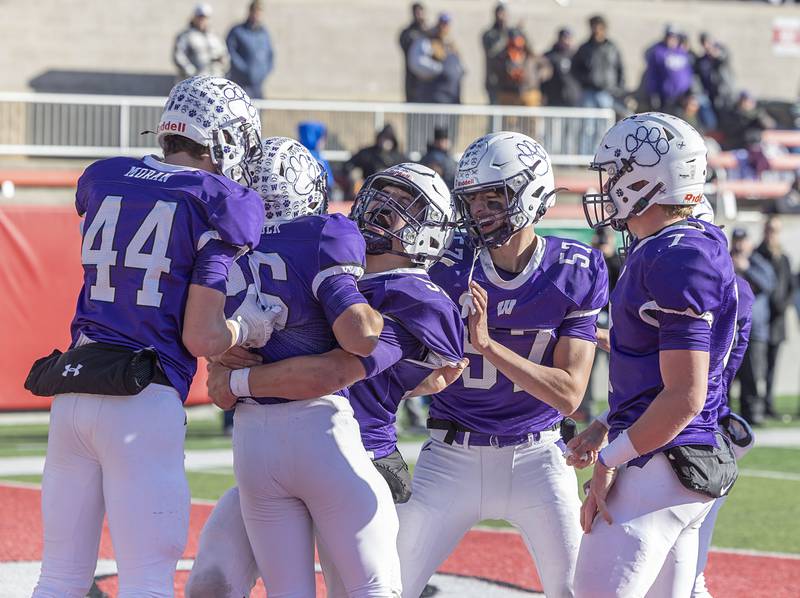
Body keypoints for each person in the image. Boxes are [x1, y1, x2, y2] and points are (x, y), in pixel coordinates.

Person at [30, 76, 269, 597]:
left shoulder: (105, 175)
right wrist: (245, 326)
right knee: (147, 581)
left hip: (75, 387)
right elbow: (202, 337)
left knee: (59, 577)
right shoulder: (219, 198)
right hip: (143, 397)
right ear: (225, 140)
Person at [186, 160, 465, 597]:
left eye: (405, 203)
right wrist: (223, 357)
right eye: (382, 194)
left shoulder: (410, 295)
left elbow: (331, 372)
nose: (385, 208)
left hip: (357, 455)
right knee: (210, 585)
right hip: (276, 453)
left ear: (430, 229)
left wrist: (237, 381)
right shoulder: (315, 259)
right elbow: (229, 350)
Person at [396, 131, 609, 598]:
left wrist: (489, 346)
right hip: (450, 453)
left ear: (531, 193)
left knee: (578, 589)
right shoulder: (443, 263)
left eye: (494, 198)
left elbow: (570, 395)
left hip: (538, 456)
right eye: (472, 201)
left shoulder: (575, 267)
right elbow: (394, 366)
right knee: (382, 586)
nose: (480, 212)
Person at [574, 112, 739, 596]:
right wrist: (608, 423)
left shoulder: (676, 252)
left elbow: (685, 394)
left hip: (662, 464)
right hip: (672, 459)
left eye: (615, 174)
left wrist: (610, 459)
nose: (607, 187)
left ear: (648, 177)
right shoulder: (681, 245)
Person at [730, 227, 775, 425]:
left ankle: (753, 415)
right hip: (730, 330)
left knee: (753, 376)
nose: (739, 244)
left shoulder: (757, 262)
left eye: (743, 240)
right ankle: (727, 415)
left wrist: (746, 268)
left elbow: (769, 285)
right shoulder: (725, 259)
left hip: (754, 331)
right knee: (729, 376)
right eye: (736, 240)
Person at [756, 215, 795, 419]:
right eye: (769, 229)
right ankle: (755, 406)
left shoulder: (784, 258)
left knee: (772, 366)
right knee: (757, 367)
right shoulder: (757, 255)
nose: (772, 234)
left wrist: (783, 305)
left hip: (777, 321)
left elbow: (790, 287)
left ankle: (769, 405)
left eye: (775, 230)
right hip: (761, 320)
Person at [408, 13, 464, 105]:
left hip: (451, 94)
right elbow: (418, 63)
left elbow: (458, 65)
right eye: (442, 23)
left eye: (446, 24)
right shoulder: (427, 41)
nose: (444, 27)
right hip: (432, 92)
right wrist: (439, 69)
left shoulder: (451, 44)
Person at [572, 15, 625, 110]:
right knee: (588, 123)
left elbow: (620, 69)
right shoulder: (584, 48)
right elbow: (575, 69)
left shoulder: (612, 48)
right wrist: (585, 82)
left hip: (608, 92)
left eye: (599, 27)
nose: (596, 30)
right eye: (594, 27)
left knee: (608, 122)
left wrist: (619, 89)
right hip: (589, 92)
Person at [226, 0, 275, 99]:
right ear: (250, 12)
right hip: (241, 83)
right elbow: (230, 52)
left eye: (259, 12)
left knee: (258, 112)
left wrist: (264, 71)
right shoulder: (237, 31)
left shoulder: (264, 33)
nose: (257, 15)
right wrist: (245, 71)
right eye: (255, 11)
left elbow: (270, 54)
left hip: (258, 84)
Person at [342, 124, 409, 197]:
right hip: (368, 191)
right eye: (384, 138)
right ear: (379, 138)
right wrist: (356, 179)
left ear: (393, 140)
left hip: (393, 195)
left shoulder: (400, 157)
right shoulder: (367, 153)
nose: (385, 142)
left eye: (388, 139)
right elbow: (348, 165)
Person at [491, 28, 551, 107]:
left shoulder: (531, 56)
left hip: (529, 94)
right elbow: (495, 70)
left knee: (531, 117)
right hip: (509, 94)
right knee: (509, 118)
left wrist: (538, 76)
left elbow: (546, 67)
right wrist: (508, 73)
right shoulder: (502, 57)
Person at [643, 25, 694, 114]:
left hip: (683, 97)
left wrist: (691, 93)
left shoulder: (682, 53)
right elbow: (652, 74)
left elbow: (688, 74)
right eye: (669, 37)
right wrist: (653, 93)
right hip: (666, 97)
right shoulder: (658, 52)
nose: (671, 40)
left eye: (674, 37)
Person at [173, 4, 229, 79]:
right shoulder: (186, 36)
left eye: (205, 18)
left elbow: (225, 54)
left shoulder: (215, 37)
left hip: (215, 79)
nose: (202, 20)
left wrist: (223, 64)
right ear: (194, 17)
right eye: (200, 17)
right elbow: (179, 56)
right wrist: (191, 72)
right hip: (194, 81)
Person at [542, 27, 581, 107]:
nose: (566, 41)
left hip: (573, 97)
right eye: (564, 38)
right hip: (554, 98)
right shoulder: (550, 56)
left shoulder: (576, 56)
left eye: (568, 38)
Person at [482, 2, 511, 104]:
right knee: (495, 111)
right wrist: (504, 36)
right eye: (499, 13)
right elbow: (491, 52)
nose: (502, 16)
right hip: (494, 80)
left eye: (504, 13)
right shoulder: (488, 34)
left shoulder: (511, 32)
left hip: (510, 82)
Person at [399, 2, 427, 102]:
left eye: (420, 12)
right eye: (416, 12)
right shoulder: (407, 33)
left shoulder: (427, 32)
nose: (419, 15)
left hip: (426, 77)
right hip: (411, 76)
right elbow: (405, 45)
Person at [298, 120, 335, 190]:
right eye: (322, 138)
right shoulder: (318, 159)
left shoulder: (297, 154)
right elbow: (329, 182)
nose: (324, 141)